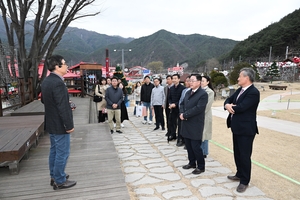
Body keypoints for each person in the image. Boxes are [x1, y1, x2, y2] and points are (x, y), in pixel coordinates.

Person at [41, 55, 76, 190]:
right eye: (64, 63)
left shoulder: (46, 81)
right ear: (57, 66)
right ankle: (59, 180)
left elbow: (45, 100)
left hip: (51, 122)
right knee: (63, 152)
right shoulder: (58, 83)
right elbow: (62, 107)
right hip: (60, 124)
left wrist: (65, 103)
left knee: (54, 151)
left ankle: (54, 175)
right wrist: (69, 126)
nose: (67, 66)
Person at [224, 67, 260, 193]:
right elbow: (228, 100)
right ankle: (239, 173)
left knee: (244, 155)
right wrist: (228, 105)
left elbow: (242, 108)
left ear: (247, 78)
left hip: (246, 129)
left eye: (240, 76)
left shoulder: (253, 92)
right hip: (236, 127)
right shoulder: (240, 90)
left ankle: (244, 181)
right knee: (237, 153)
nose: (238, 78)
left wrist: (231, 106)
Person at [180, 74, 208, 175]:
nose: (190, 82)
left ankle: (201, 166)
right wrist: (181, 113)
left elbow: (199, 108)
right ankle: (192, 163)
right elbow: (182, 104)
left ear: (199, 82)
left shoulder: (203, 94)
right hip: (186, 122)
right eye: (189, 81)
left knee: (196, 146)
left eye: (192, 81)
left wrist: (185, 114)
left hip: (195, 123)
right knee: (188, 145)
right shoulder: (188, 92)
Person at [200, 75, 215, 158]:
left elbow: (207, 106)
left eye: (203, 81)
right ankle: (202, 151)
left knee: (205, 134)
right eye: (201, 81)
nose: (201, 82)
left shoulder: (210, 92)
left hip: (205, 115)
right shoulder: (199, 90)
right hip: (199, 115)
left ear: (208, 82)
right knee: (200, 133)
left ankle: (204, 152)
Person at [168, 74, 185, 144]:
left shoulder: (182, 88)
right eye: (173, 78)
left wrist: (175, 104)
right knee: (172, 122)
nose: (174, 80)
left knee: (180, 124)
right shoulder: (171, 88)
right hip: (172, 108)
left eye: (175, 78)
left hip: (180, 108)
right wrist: (170, 103)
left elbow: (182, 99)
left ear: (178, 79)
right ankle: (173, 134)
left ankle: (180, 138)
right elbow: (169, 98)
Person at [177, 75, 191, 147]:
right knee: (180, 127)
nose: (187, 82)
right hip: (181, 111)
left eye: (188, 81)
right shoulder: (184, 90)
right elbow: (181, 101)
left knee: (187, 128)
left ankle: (186, 142)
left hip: (188, 112)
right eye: (186, 81)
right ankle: (181, 139)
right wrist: (181, 110)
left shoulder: (192, 91)